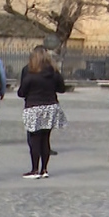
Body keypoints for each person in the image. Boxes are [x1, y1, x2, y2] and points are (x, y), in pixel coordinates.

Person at [16, 46, 69, 179]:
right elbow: (62, 89)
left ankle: (34, 169)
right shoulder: (54, 73)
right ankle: (44, 169)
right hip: (51, 106)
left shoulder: (30, 74)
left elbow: (21, 93)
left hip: (34, 107)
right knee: (45, 139)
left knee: (34, 139)